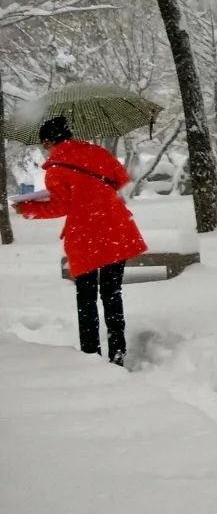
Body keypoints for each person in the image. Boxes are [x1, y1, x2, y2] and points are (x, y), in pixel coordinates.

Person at [13, 116, 147, 366]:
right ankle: (118, 352)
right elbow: (121, 179)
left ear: (49, 141)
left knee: (86, 299)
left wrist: (28, 208)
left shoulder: (56, 168)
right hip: (117, 230)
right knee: (112, 294)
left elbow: (60, 205)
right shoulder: (97, 152)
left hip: (87, 238)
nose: (46, 151)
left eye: (45, 146)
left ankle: (91, 356)